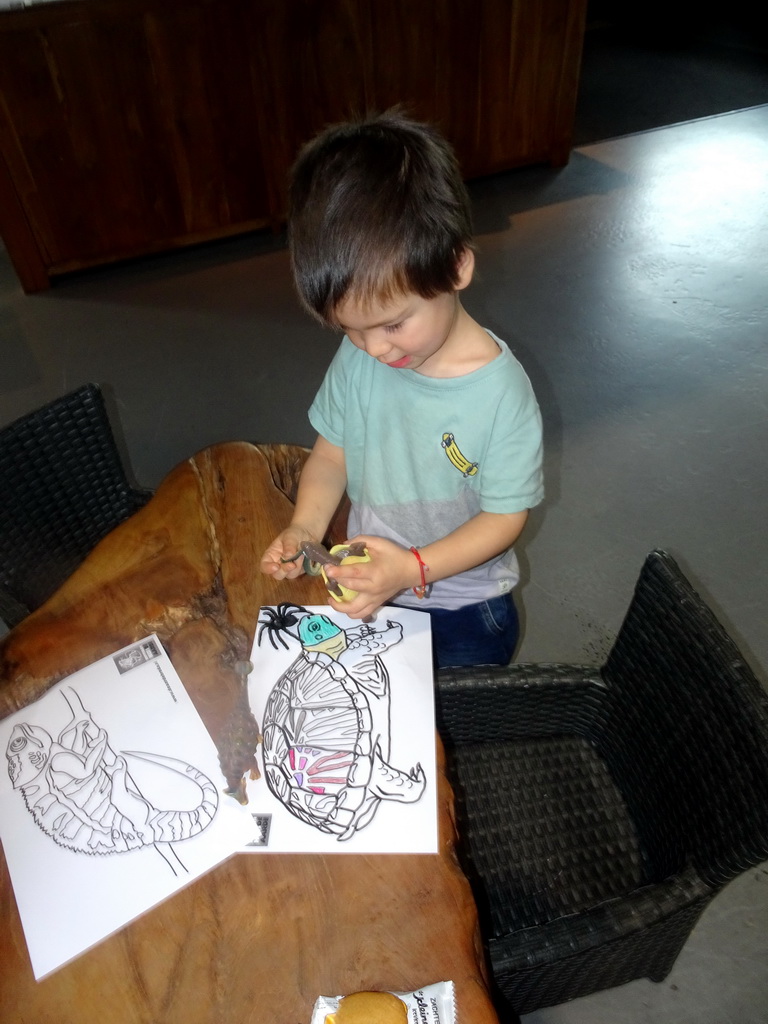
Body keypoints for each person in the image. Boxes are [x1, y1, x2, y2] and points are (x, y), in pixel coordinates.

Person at [260, 110, 544, 669]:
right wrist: (305, 526)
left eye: (393, 324)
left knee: (450, 731)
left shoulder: (501, 395)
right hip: (377, 587)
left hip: (466, 608)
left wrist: (412, 568)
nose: (374, 349)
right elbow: (331, 453)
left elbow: (505, 519)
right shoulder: (361, 355)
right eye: (350, 327)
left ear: (456, 266)